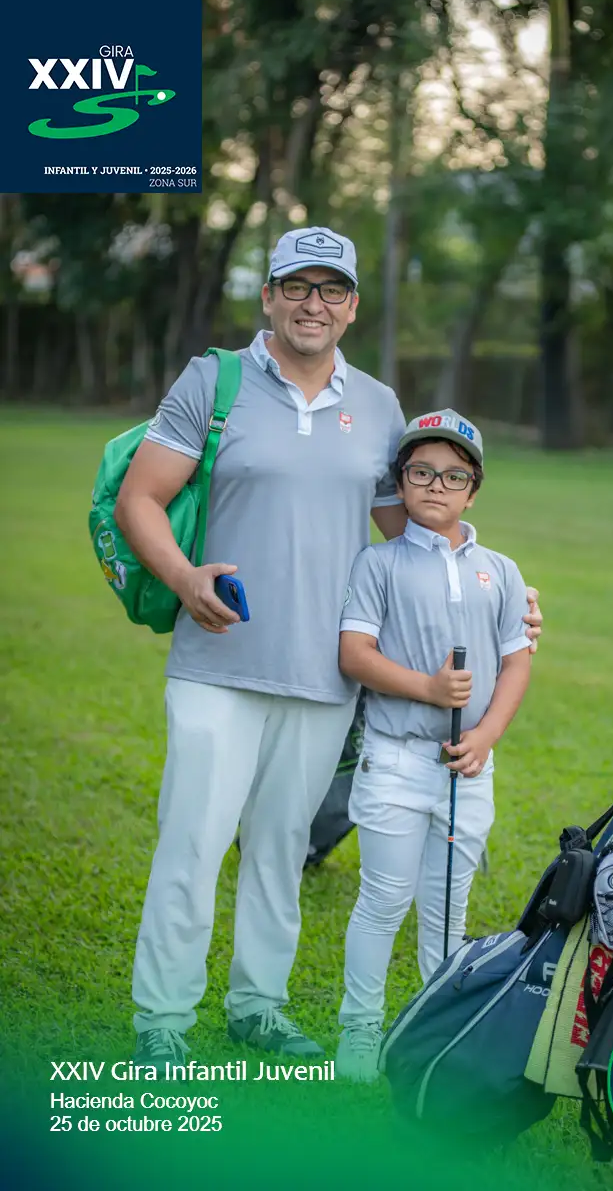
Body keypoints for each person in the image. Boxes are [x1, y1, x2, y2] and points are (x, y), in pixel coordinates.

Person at [114, 224, 543, 1074]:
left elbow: (413, 532)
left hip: (323, 676)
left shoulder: (379, 406)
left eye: (332, 290)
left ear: (351, 308)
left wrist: (498, 586)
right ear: (269, 296)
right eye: (297, 287)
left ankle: (258, 1006)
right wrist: (186, 577)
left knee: (281, 847)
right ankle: (162, 1017)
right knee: (193, 840)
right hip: (217, 664)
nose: (314, 304)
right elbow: (141, 500)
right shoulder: (214, 381)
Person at [334, 410, 532, 1082]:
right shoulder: (378, 563)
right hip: (395, 759)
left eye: (453, 476)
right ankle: (360, 1028)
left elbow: (517, 663)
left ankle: (432, 1034)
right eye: (421, 472)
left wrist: (485, 735)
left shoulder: (501, 571)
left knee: (448, 911)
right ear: (401, 483)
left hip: (468, 767)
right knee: (383, 899)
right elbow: (355, 654)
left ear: (473, 491)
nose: (436, 486)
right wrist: (428, 688)